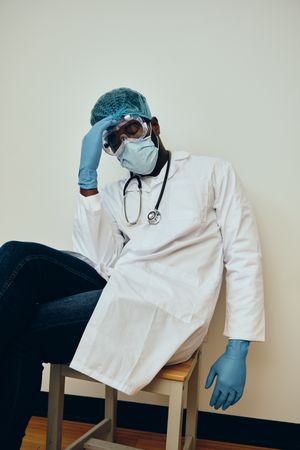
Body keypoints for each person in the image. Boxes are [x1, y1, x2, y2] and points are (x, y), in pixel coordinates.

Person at [0, 87, 265, 449]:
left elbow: (243, 255)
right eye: (112, 140)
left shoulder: (212, 173)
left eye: (131, 131)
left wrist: (238, 348)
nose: (124, 144)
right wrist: (87, 183)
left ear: (153, 125)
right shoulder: (114, 193)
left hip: (171, 311)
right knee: (18, 256)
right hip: (119, 291)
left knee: (20, 330)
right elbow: (99, 261)